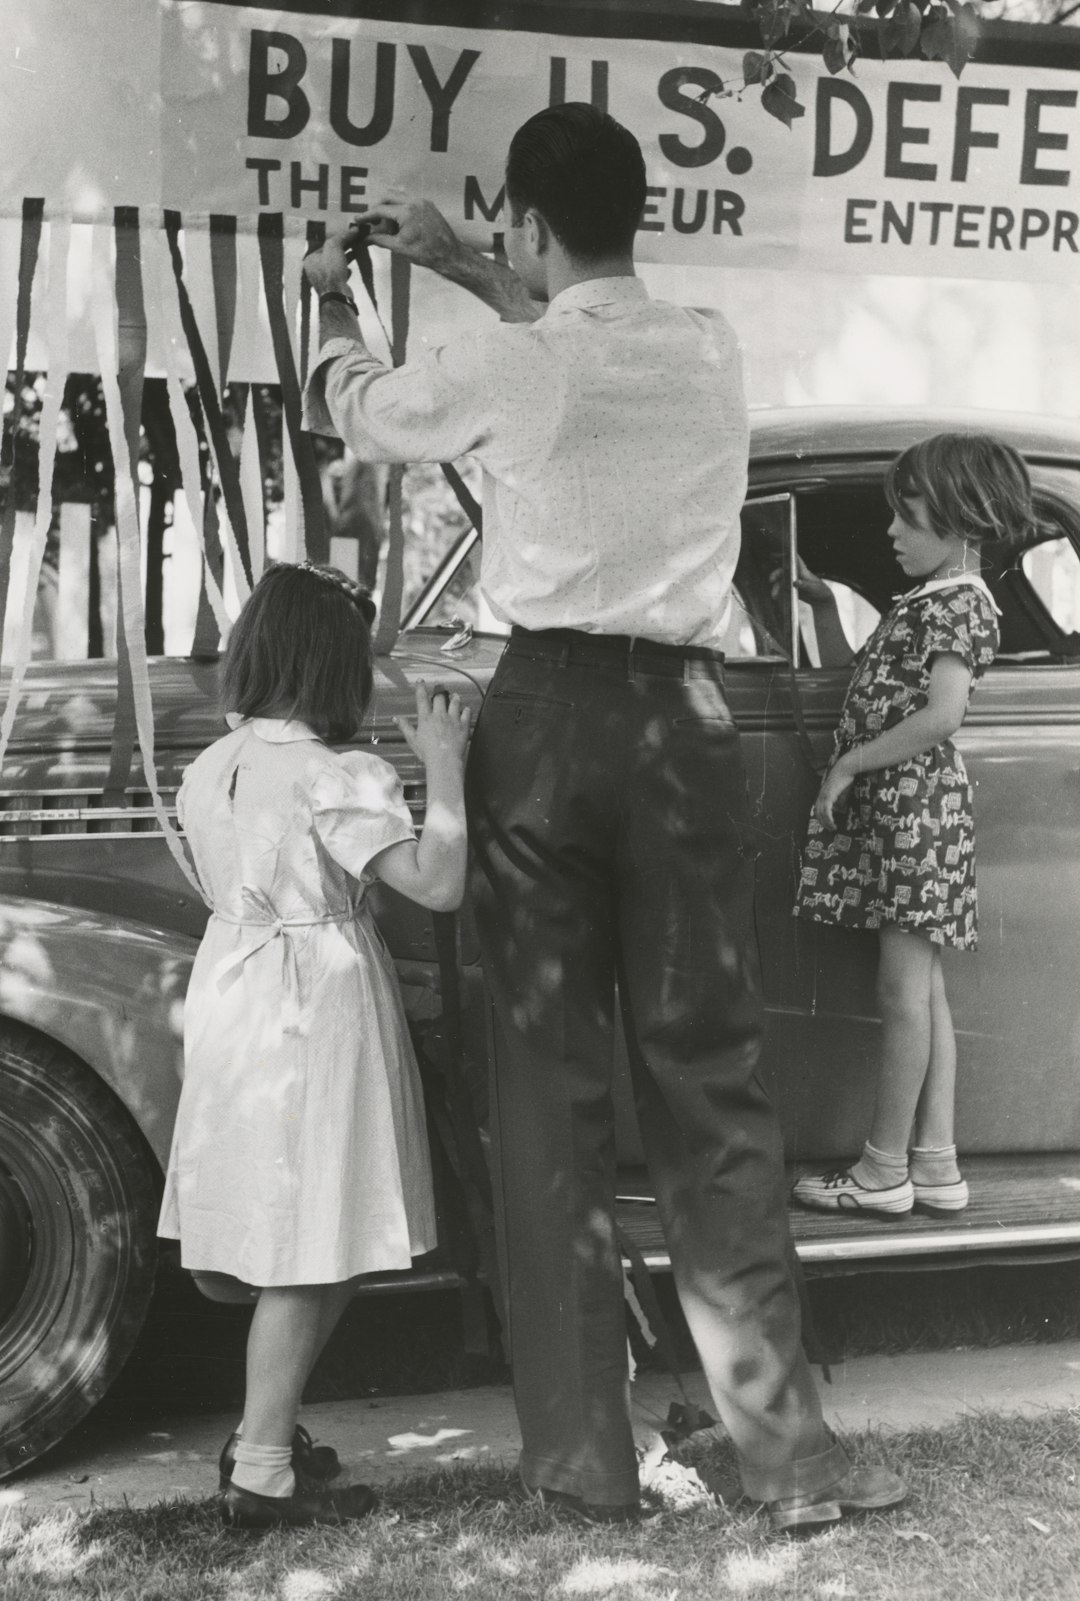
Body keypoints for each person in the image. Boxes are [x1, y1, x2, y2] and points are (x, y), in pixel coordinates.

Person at [302, 102, 906, 1535]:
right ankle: (788, 1459)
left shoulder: (507, 364)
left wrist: (333, 303)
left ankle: (583, 1466)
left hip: (547, 722)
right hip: (689, 729)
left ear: (522, 218)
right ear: (638, 213)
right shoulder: (707, 345)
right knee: (713, 1081)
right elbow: (575, 321)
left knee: (547, 1096)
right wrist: (480, 253)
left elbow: (371, 407)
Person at [157, 562, 470, 1530]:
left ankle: (267, 1430)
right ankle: (259, 1464)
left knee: (301, 1224)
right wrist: (446, 761)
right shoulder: (339, 771)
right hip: (317, 999)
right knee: (315, 1236)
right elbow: (438, 881)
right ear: (332, 660)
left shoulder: (215, 764)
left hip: (236, 986)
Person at [791, 433, 1033, 1220]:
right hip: (909, 814)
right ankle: (934, 1160)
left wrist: (850, 763)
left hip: (914, 812)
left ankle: (881, 1169)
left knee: (901, 993)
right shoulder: (931, 602)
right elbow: (868, 684)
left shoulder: (960, 603)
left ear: (962, 518)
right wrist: (823, 606)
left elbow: (942, 714)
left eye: (908, 513)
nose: (891, 531)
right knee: (923, 992)